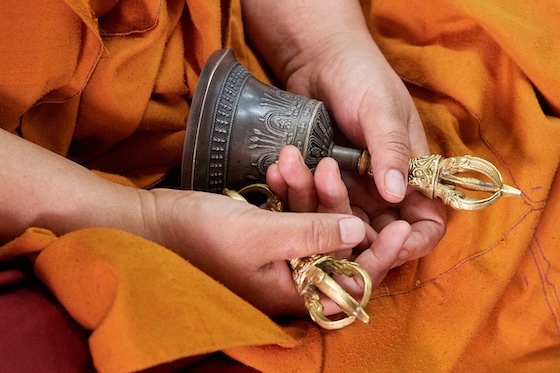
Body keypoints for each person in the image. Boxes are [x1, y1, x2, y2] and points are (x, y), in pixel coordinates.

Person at [0, 0, 446, 319]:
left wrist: (322, 46)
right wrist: (148, 223)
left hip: (258, 43)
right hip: (65, 196)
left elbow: (320, 39)